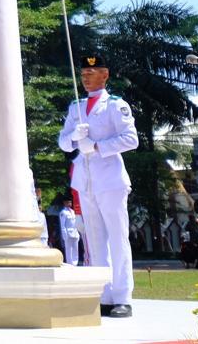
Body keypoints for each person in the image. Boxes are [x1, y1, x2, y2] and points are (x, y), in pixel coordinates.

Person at [59, 54, 138, 319]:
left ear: (105, 75)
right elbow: (63, 143)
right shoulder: (76, 106)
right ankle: (103, 295)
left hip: (110, 178)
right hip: (85, 178)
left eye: (91, 74)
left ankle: (122, 296)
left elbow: (130, 139)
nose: (85, 79)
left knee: (117, 237)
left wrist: (96, 146)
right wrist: (74, 136)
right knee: (94, 240)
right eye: (83, 74)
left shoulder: (116, 105)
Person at [59, 196, 81, 265]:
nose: (69, 203)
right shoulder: (63, 212)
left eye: (70, 202)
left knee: (75, 249)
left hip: (75, 233)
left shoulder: (73, 211)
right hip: (68, 233)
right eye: (68, 202)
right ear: (64, 203)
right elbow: (63, 225)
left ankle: (75, 263)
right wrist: (64, 235)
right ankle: (70, 263)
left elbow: (75, 223)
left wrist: (78, 233)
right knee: (69, 250)